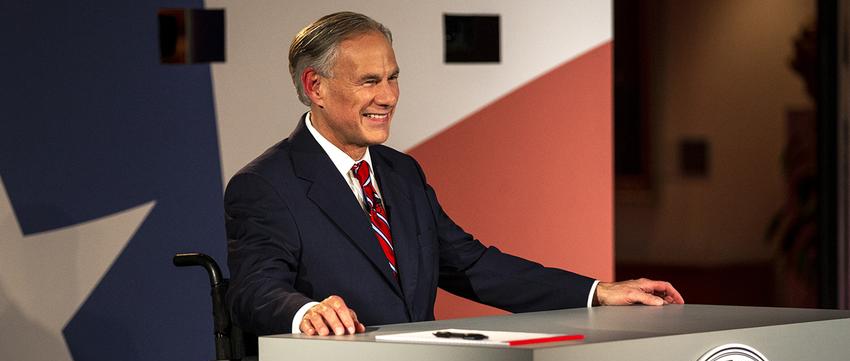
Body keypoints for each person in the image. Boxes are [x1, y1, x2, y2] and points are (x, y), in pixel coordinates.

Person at [225, 11, 684, 337]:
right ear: (315, 87)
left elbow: (472, 266)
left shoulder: (401, 173)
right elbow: (255, 288)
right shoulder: (266, 185)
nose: (388, 96)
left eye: (392, 77)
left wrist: (597, 293)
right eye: (370, 81)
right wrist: (305, 311)